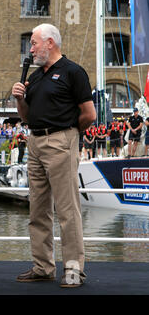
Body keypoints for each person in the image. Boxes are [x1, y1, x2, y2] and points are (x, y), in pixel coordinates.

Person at [12, 23, 96, 288]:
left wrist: (68, 134)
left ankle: (73, 269)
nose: (31, 48)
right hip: (34, 141)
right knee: (37, 208)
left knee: (67, 210)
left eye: (34, 43)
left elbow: (90, 114)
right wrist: (19, 99)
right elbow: (26, 116)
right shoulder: (35, 77)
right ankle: (43, 266)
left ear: (50, 43)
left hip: (61, 140)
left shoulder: (73, 72)